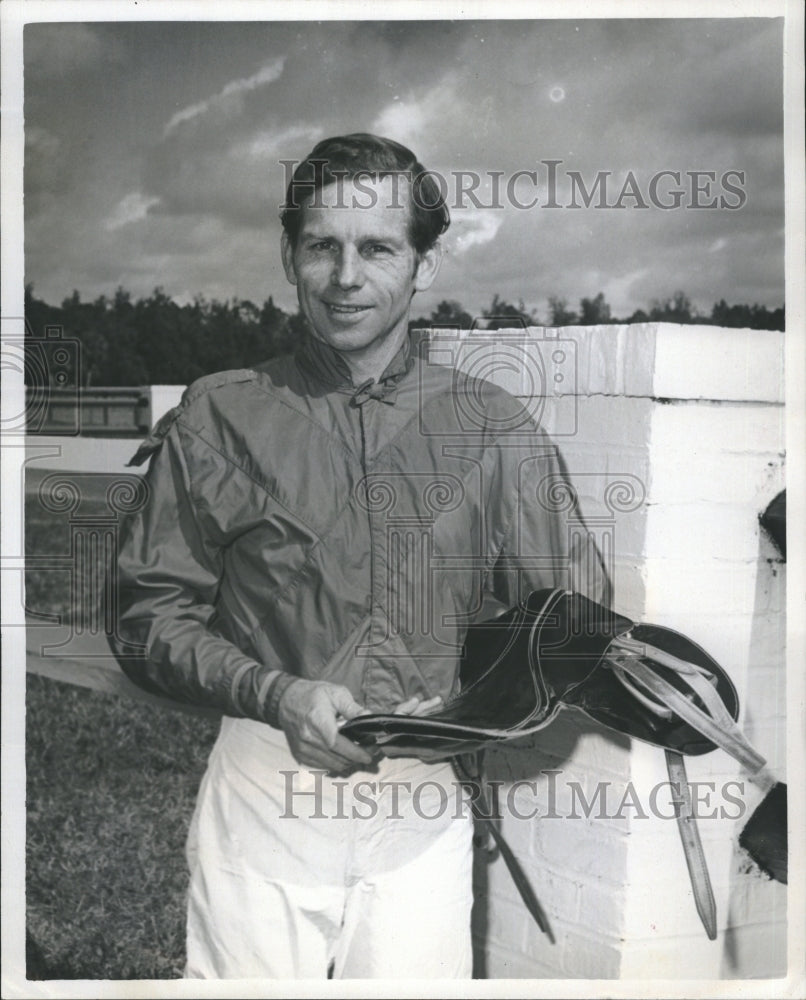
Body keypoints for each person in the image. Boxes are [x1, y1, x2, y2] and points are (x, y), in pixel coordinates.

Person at [113, 133, 604, 979]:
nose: (346, 277)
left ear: (424, 262)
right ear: (289, 253)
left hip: (423, 804)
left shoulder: (494, 428)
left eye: (377, 247)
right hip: (267, 791)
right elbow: (145, 616)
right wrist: (277, 692)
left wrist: (473, 702)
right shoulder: (220, 417)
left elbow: (569, 624)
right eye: (322, 247)